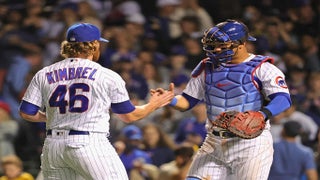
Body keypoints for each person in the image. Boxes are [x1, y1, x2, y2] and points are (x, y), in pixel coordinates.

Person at [18, 23, 174, 180]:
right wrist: (154, 104)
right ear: (93, 45)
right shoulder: (106, 75)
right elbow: (129, 116)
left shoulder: (44, 73)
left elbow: (26, 112)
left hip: (53, 146)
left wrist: (53, 118)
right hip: (88, 142)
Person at [154, 19, 292, 179]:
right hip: (214, 141)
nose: (216, 49)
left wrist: (262, 115)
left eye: (222, 45)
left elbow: (283, 99)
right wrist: (169, 99)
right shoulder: (207, 67)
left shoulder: (263, 68)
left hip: (251, 143)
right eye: (213, 45)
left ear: (241, 44)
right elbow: (187, 101)